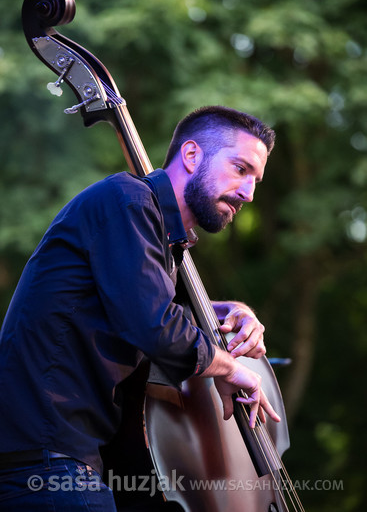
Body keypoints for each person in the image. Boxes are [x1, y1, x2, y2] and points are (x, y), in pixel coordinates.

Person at [0, 105, 279, 511]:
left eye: (256, 180)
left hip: (67, 462)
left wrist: (230, 311)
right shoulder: (127, 202)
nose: (249, 193)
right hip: (45, 461)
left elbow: (153, 302)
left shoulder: (159, 240)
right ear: (191, 155)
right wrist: (232, 368)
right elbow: (155, 324)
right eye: (240, 168)